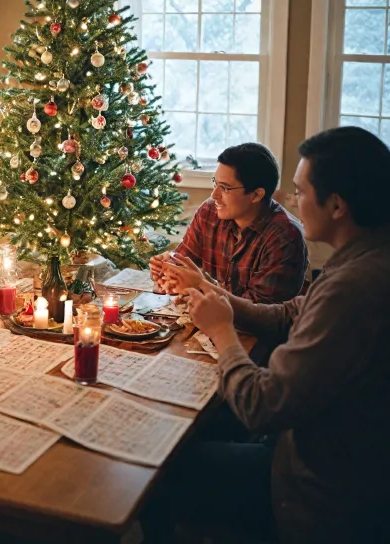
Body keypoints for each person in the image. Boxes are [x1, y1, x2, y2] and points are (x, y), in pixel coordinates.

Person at [149, 127, 390, 543]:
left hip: (313, 482)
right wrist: (218, 299)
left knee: (156, 466)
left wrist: (221, 329)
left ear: (336, 205)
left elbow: (260, 406)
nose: (293, 201)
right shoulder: (361, 260)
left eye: (299, 191)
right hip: (310, 445)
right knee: (187, 428)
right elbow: (286, 314)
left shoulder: (352, 289)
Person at [150, 142, 308, 303]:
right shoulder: (209, 212)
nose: (214, 195)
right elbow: (183, 263)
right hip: (209, 318)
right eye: (215, 183)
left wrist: (202, 285)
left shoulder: (285, 237)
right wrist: (166, 269)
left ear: (256, 195)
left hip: (248, 327)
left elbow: (259, 314)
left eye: (225, 188)